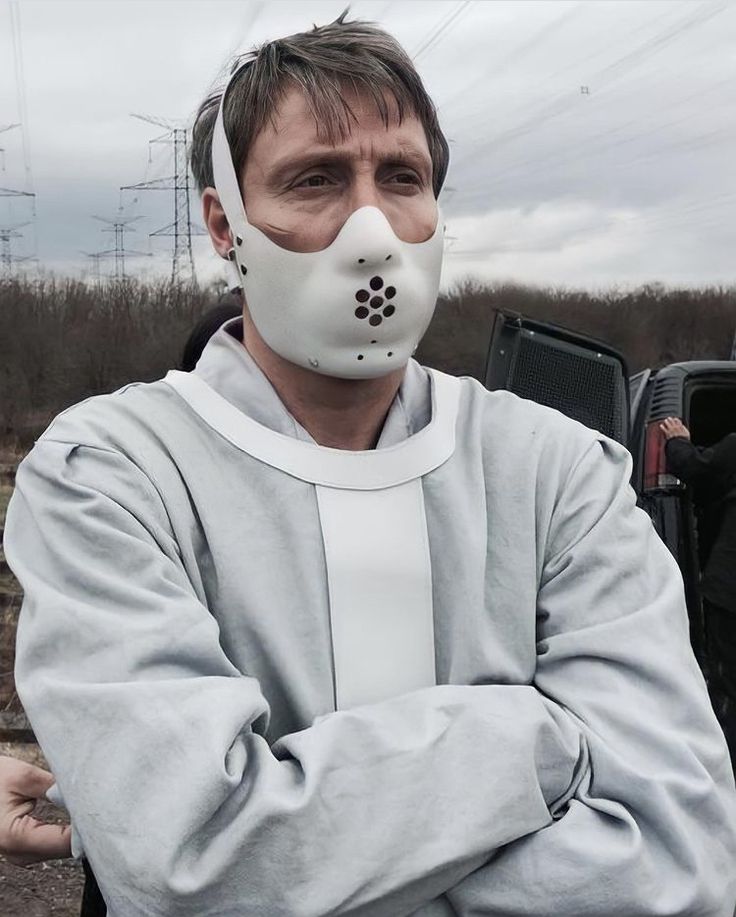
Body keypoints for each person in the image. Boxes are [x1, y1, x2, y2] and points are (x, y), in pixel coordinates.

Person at [3, 14, 736, 917]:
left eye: (402, 178)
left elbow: (677, 861)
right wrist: (537, 742)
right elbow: (190, 864)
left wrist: (302, 851)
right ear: (223, 223)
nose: (372, 230)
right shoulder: (110, 473)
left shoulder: (559, 472)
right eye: (315, 180)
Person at [661, 416, 736, 767]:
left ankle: (722, 776)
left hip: (728, 596)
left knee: (726, 690)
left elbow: (697, 469)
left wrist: (677, 441)